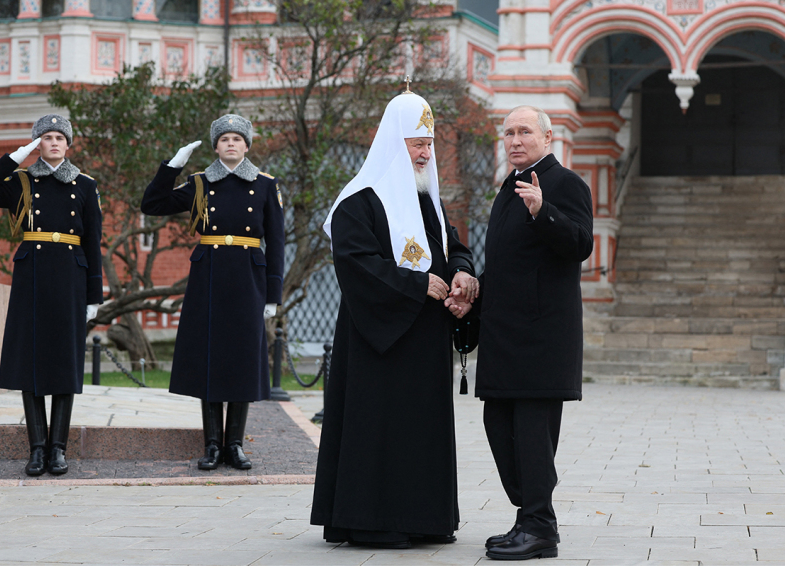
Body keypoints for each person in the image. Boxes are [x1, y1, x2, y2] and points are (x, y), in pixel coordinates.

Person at [310, 89, 479, 548]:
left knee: (421, 430)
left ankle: (425, 519)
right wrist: (415, 284)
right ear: (393, 142)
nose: (426, 153)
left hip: (425, 338)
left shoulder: (428, 198)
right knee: (380, 428)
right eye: (417, 143)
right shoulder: (359, 201)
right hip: (378, 339)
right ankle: (374, 520)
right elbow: (356, 263)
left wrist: (462, 272)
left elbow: (453, 245)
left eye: (429, 144)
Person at [462, 106, 593, 560]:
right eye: (508, 133)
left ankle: (539, 527)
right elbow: (508, 264)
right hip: (504, 336)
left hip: (541, 337)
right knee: (499, 426)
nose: (515, 140)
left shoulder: (565, 184)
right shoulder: (506, 189)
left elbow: (580, 245)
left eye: (525, 132)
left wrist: (543, 211)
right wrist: (473, 292)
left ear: (548, 137)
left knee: (533, 435)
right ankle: (529, 516)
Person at [141, 114, 284, 470]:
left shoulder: (265, 185)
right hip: (209, 276)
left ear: (247, 146)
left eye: (237, 139)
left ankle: (234, 444)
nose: (231, 144)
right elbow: (152, 205)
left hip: (249, 277)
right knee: (210, 359)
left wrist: (273, 295)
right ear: (216, 147)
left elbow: (277, 241)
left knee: (242, 360)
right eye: (224, 139)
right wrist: (172, 167)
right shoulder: (200, 183)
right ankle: (212, 446)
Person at [0, 115, 103, 476]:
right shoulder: (21, 181)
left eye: (60, 136)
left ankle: (57, 449)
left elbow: (93, 241)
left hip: (71, 277)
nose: (54, 142)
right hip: (31, 276)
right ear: (37, 144)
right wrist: (14, 158)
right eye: (47, 137)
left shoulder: (85, 185)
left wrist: (94, 295)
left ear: (68, 144)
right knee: (28, 362)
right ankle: (36, 449)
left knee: (64, 362)